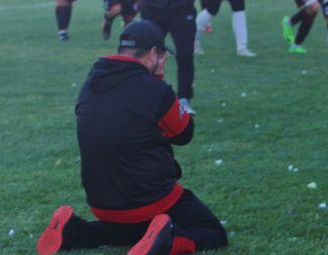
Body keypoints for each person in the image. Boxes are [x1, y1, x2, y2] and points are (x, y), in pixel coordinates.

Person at [36, 20, 227, 255]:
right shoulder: (155, 90)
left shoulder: (90, 83)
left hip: (101, 203)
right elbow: (184, 134)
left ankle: (72, 231)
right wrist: (157, 81)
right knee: (212, 232)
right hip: (151, 199)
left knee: (125, 232)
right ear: (154, 53)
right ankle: (169, 241)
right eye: (163, 54)